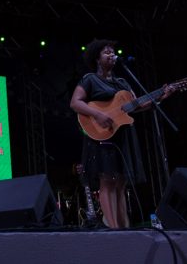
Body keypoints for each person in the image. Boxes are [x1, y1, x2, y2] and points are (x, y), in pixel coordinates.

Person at [70, 39, 174, 228]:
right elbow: (75, 103)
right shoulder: (90, 79)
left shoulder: (123, 82)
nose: (112, 55)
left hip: (122, 136)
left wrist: (159, 97)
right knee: (107, 180)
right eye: (107, 52)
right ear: (97, 58)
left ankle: (123, 226)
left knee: (120, 183)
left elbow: (137, 106)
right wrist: (98, 114)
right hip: (102, 135)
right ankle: (112, 227)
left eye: (113, 52)